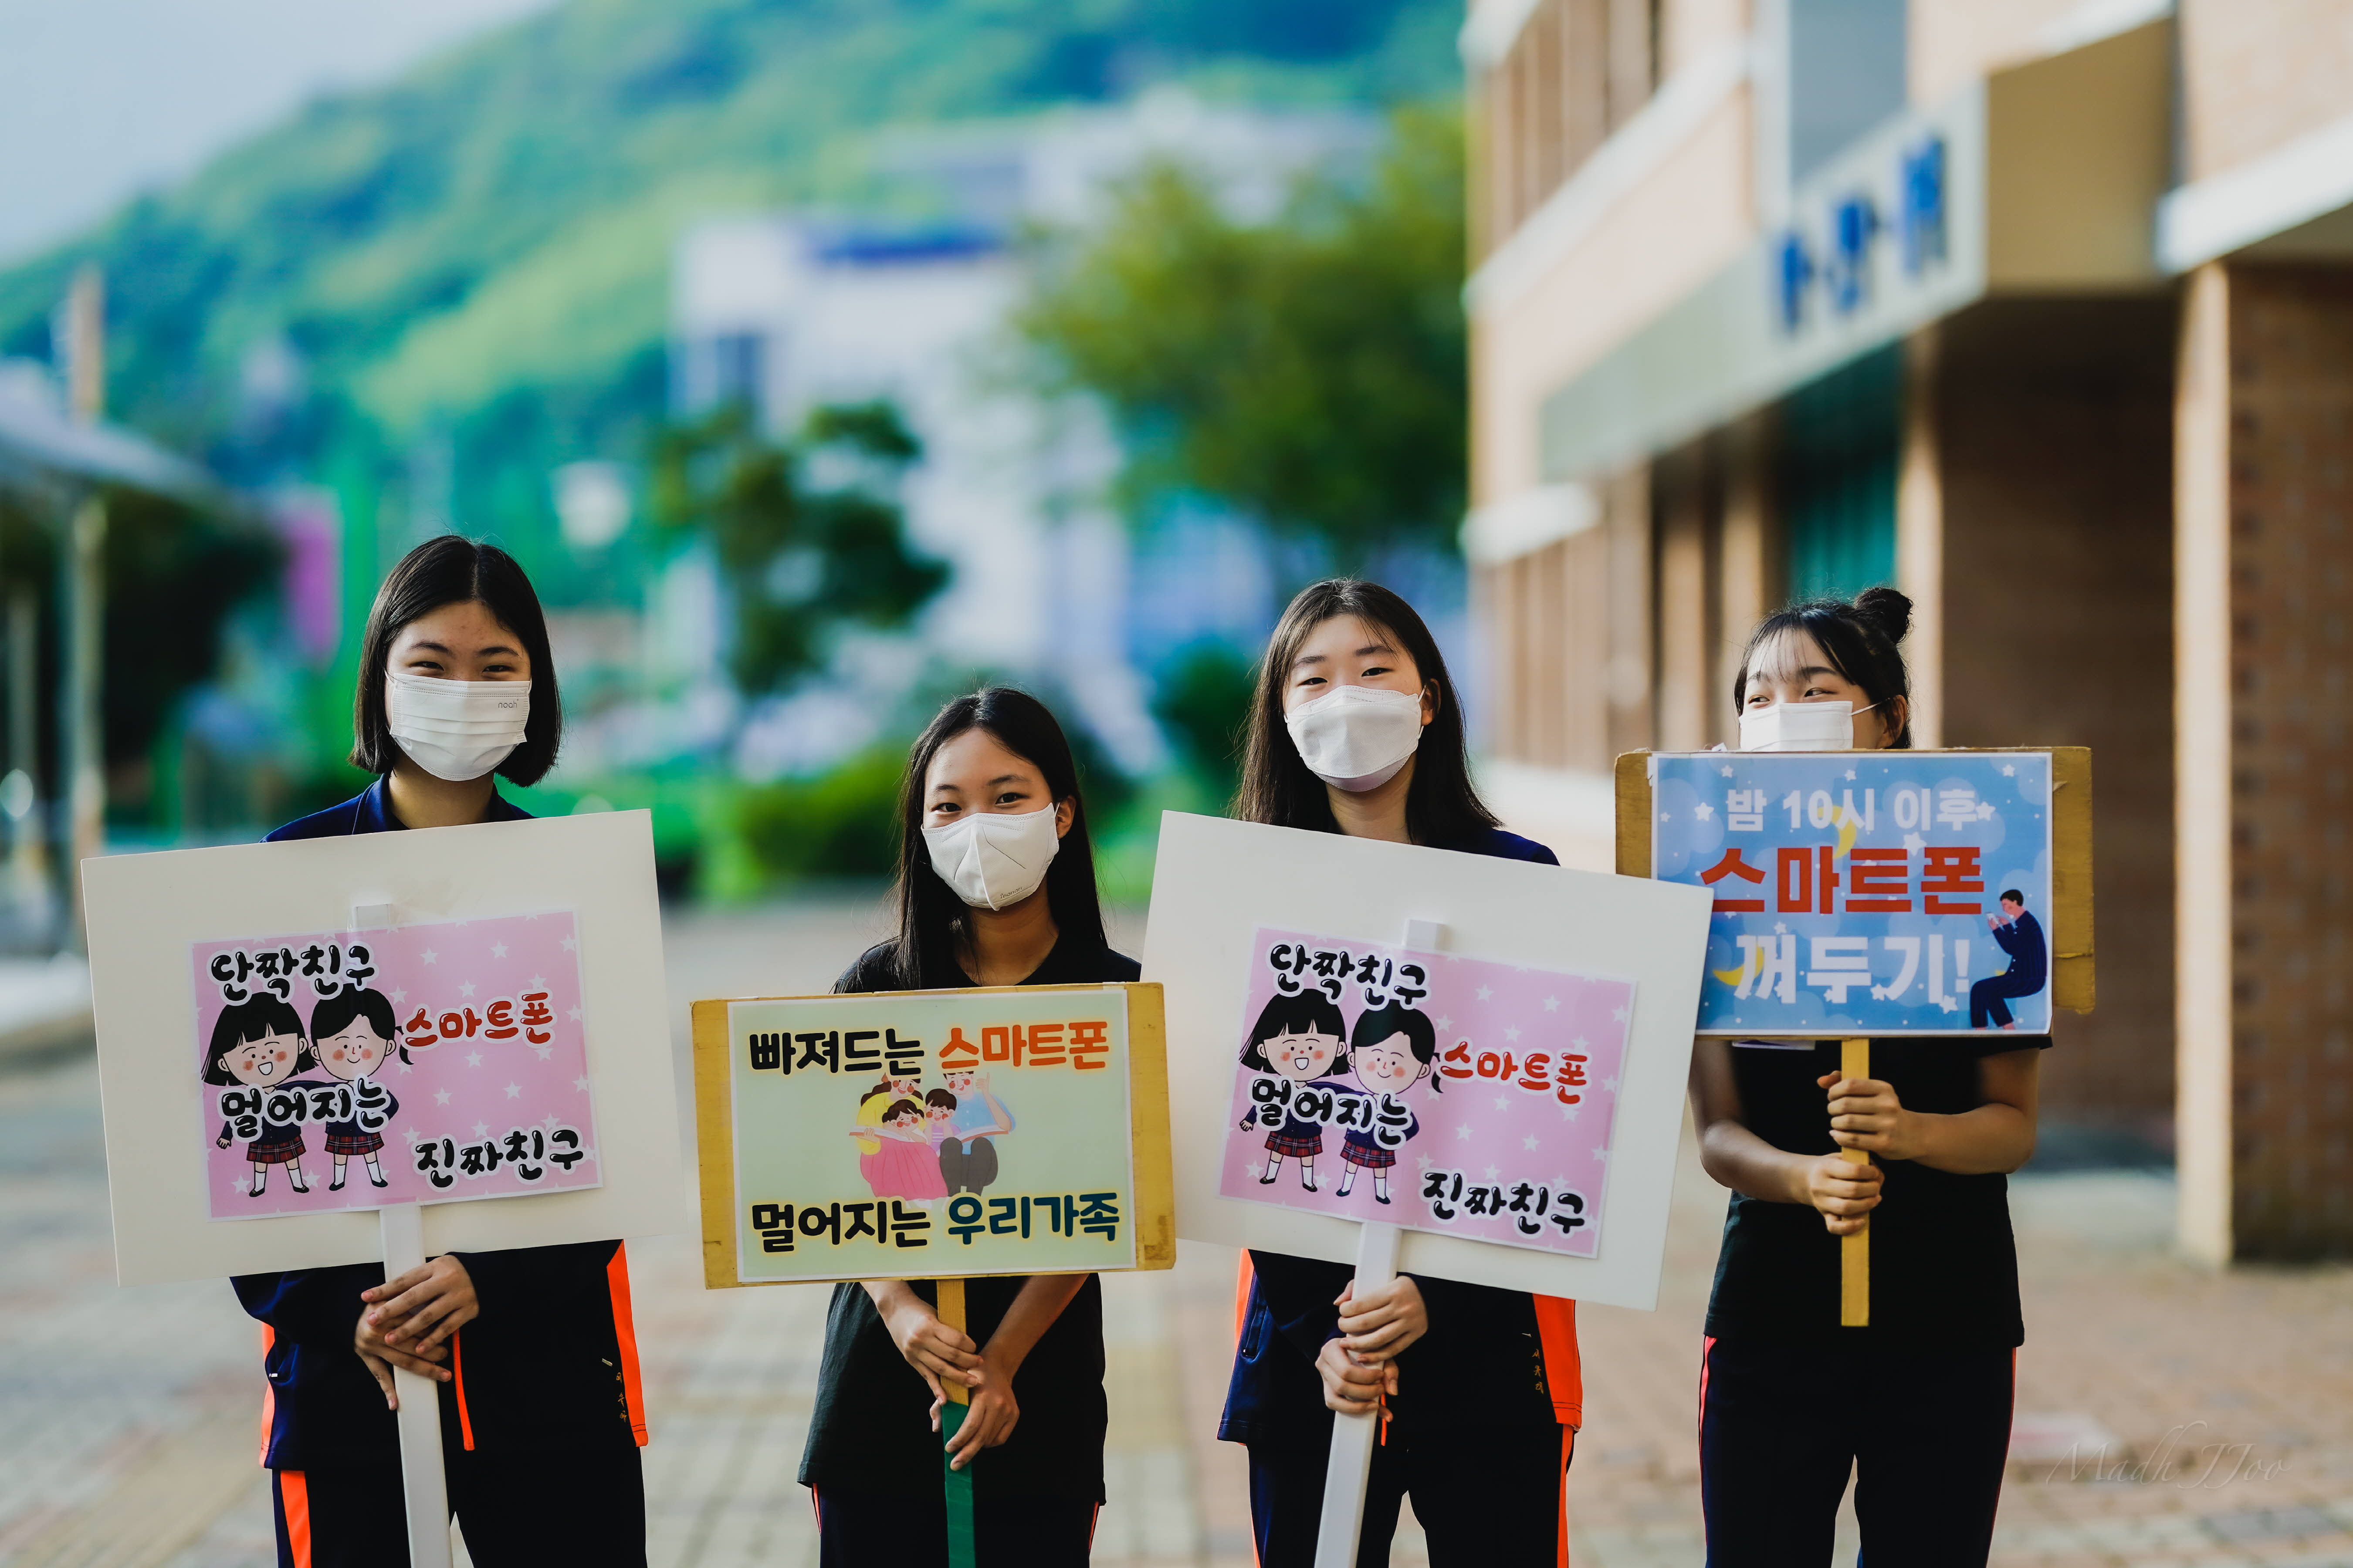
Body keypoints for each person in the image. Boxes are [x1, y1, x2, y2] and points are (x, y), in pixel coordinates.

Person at [234, 536, 649, 1568]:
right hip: (344, 1392)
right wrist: (347, 1314)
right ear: (379, 677)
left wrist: (488, 1279)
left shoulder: (574, 881)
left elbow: (625, 1137)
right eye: (430, 662)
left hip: (548, 1382)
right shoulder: (285, 878)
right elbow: (238, 1145)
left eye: (495, 665)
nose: (462, 689)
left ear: (535, 690)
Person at [1219, 578, 1582, 1568]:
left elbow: (1550, 1131)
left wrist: (1440, 1297)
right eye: (1315, 677)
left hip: (1490, 1353)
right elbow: (1228, 1131)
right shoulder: (1248, 891)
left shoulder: (1521, 878)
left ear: (1428, 697)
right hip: (1308, 1362)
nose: (1346, 696)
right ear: (1282, 716)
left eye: (1373, 669)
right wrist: (1321, 1333)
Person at [1688, 587, 2047, 1567]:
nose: (1779, 713)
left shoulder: (1986, 870)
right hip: (1773, 1311)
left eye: (1813, 689)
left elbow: (2015, 1124)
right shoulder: (1712, 889)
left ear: (1888, 719)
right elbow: (1716, 1136)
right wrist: (1802, 1178)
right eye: (1756, 697)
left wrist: (1913, 1134)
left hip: (1950, 1313)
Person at [800, 686, 1136, 1566]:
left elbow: (1113, 1195)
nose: (977, 823)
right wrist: (899, 1309)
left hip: (1042, 1384)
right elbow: (825, 1181)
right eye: (948, 806)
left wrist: (1003, 1361)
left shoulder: (1118, 995)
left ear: (1062, 811)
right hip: (881, 1380)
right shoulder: (873, 990)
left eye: (1008, 797)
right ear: (920, 830)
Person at [1971, 890, 2047, 1029]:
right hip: (2021, 977)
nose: (2005, 909)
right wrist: (2006, 926)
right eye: (2003, 906)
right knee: (1980, 989)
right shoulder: (2024, 921)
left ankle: (2008, 1030)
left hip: (2028, 980)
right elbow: (2018, 943)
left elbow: (2012, 948)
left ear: (2016, 902)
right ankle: (1981, 1031)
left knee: (1986, 990)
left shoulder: (2027, 924)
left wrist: (1997, 930)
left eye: (2007, 905)